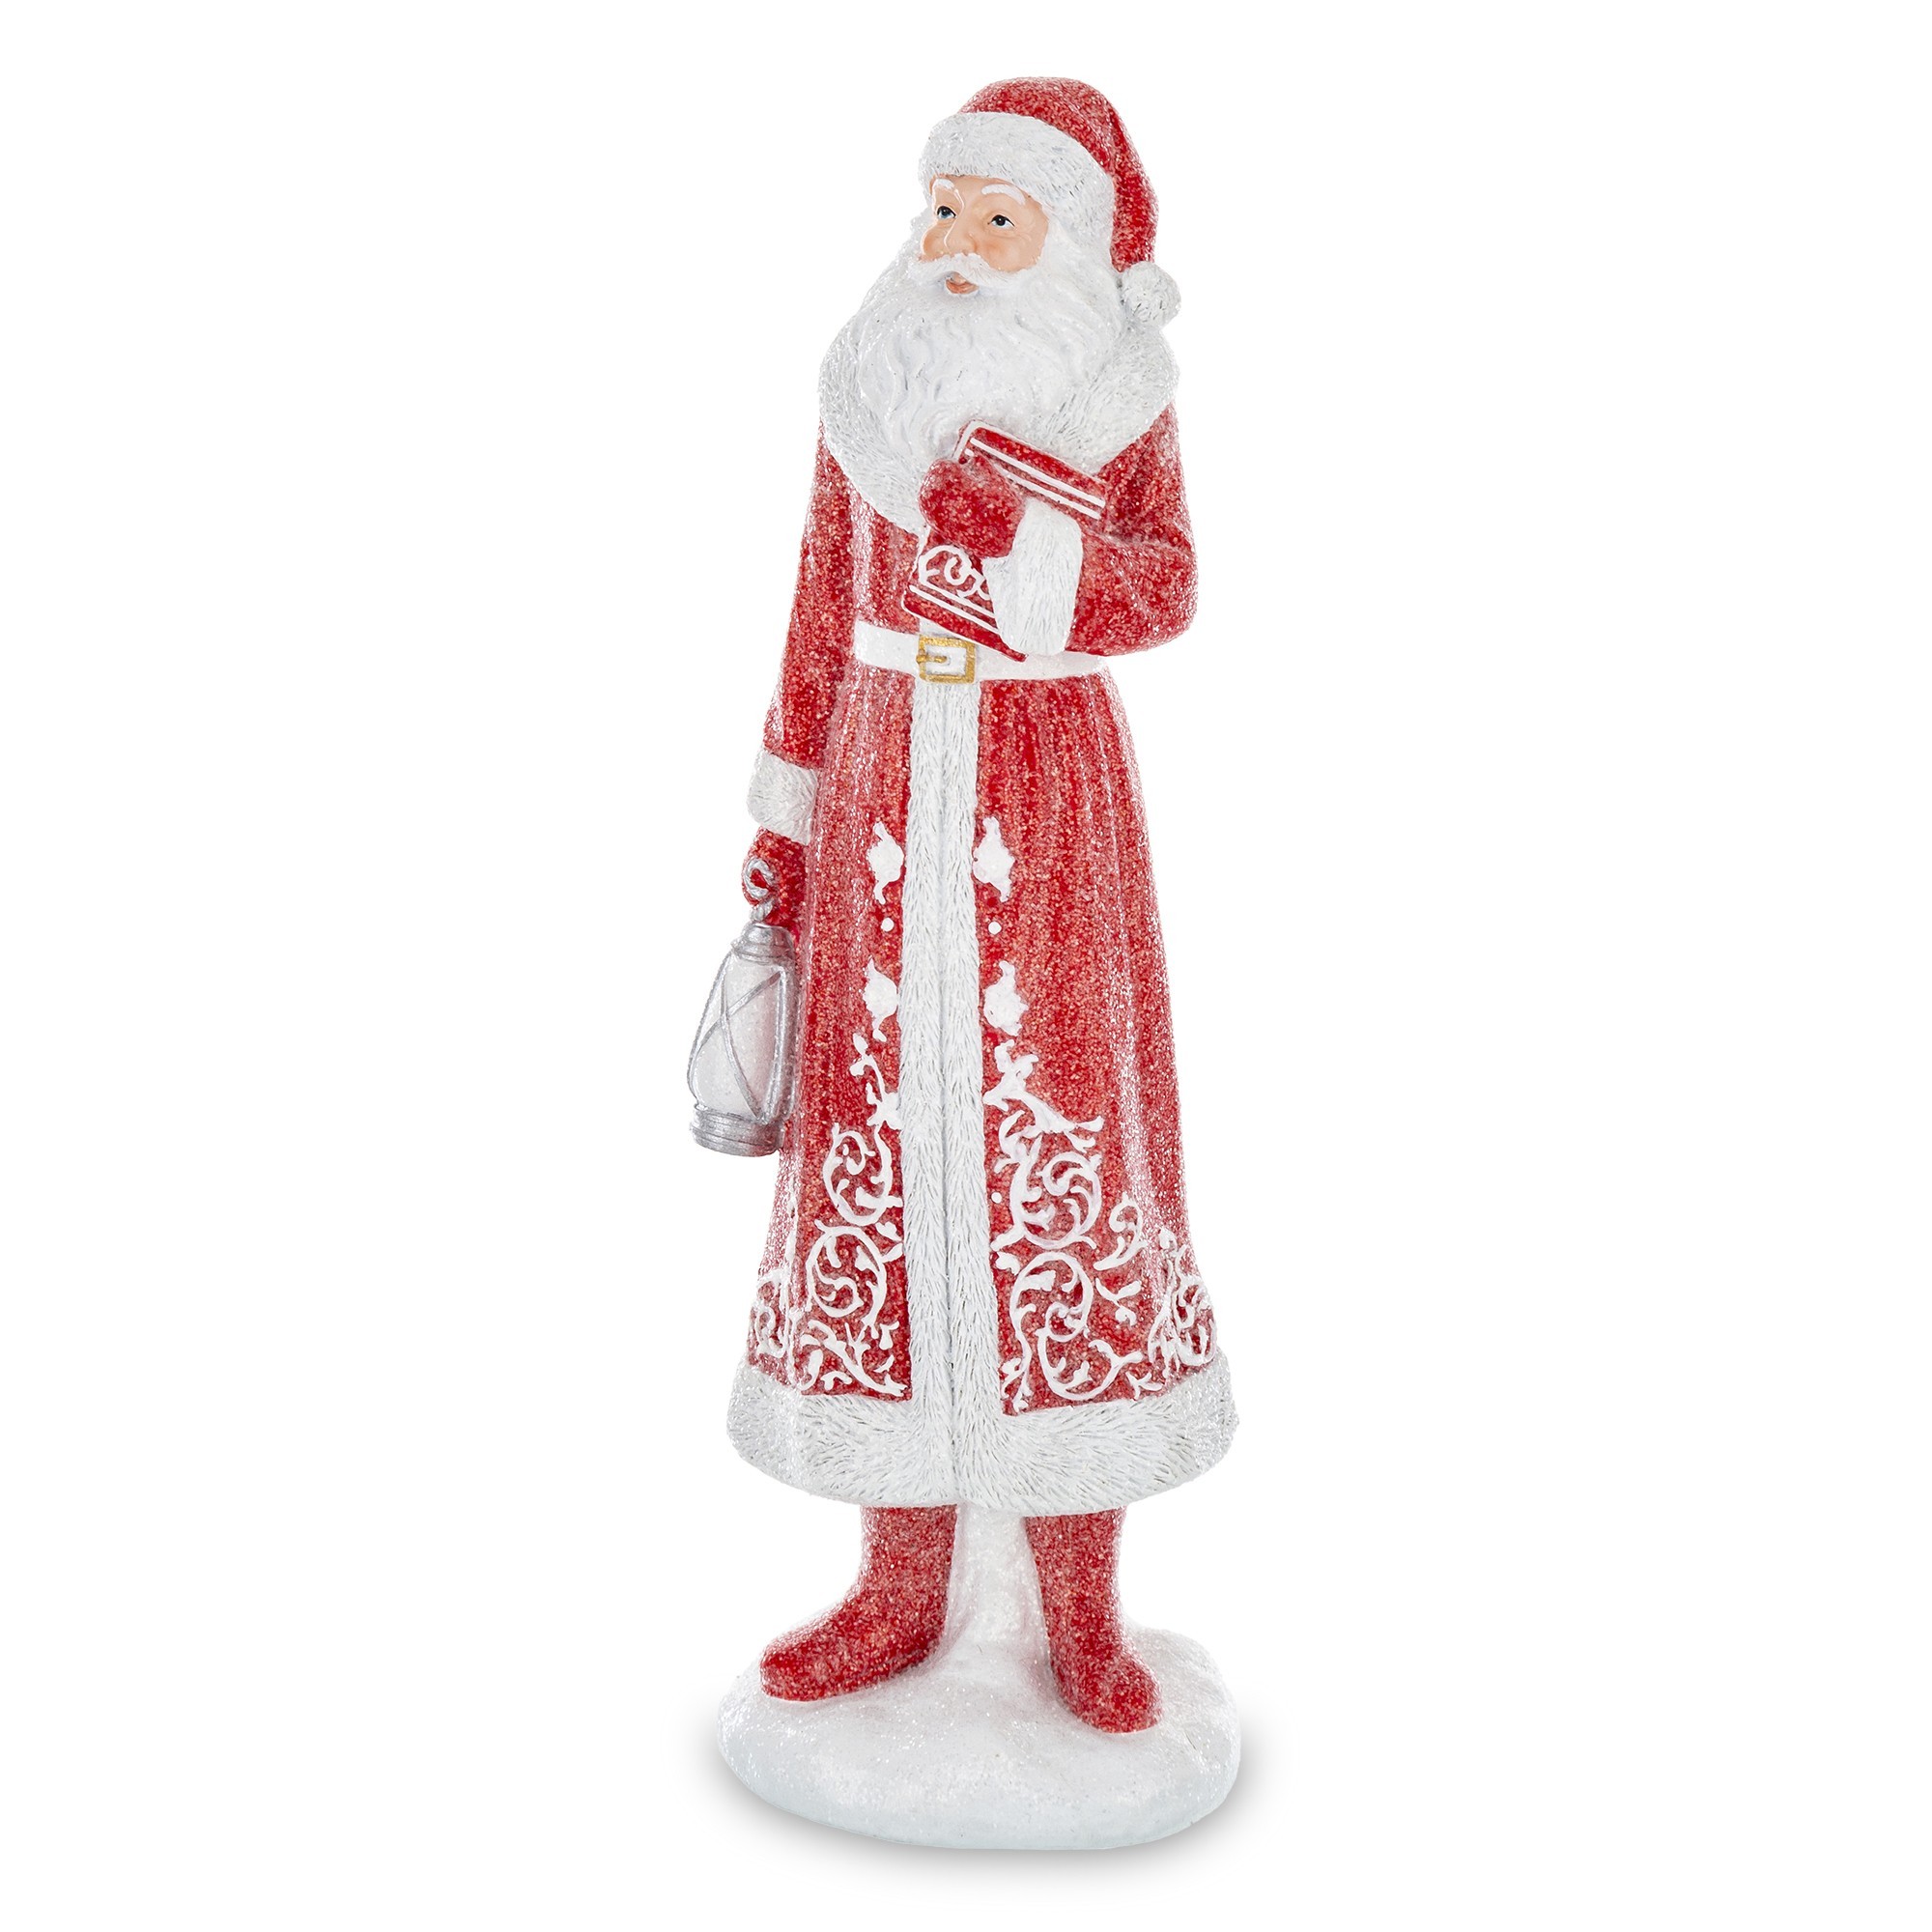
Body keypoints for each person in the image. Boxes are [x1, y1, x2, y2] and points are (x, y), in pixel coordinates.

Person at [725, 78, 1235, 1734]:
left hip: (1042, 787)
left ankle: (1081, 1608)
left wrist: (1022, 548)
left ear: (1065, 235)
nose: (952, 241)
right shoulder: (867, 387)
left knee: (1054, 1150)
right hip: (882, 783)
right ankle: (898, 1590)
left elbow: (1166, 582)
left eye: (994, 215)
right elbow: (819, 604)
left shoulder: (1116, 393)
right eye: (941, 208)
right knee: (887, 1153)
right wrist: (786, 824)